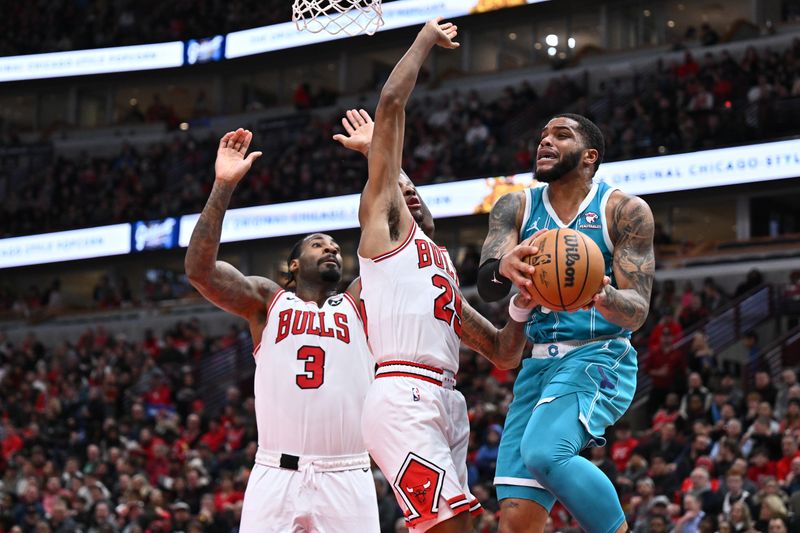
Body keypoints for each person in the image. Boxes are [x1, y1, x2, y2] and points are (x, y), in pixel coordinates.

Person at [355, 18, 534, 532]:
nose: (407, 191)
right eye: (398, 188)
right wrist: (426, 39)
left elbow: (503, 353)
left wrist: (523, 302)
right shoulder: (386, 244)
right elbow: (391, 107)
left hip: (447, 401)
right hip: (401, 395)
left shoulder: (442, 270)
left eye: (414, 186)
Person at [185, 128, 379, 532]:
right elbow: (200, 271)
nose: (332, 249)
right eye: (318, 245)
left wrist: (377, 156)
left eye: (336, 248)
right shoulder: (267, 301)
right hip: (276, 470)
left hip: (347, 471)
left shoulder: (360, 301)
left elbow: (402, 235)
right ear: (293, 265)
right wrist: (223, 185)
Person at [476, 113, 655, 533]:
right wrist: (505, 265)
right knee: (517, 519)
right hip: (537, 364)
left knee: (545, 452)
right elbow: (487, 286)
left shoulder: (624, 210)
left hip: (599, 354)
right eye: (542, 136)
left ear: (589, 156)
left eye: (561, 135)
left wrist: (602, 294)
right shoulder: (514, 206)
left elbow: (638, 309)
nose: (546, 142)